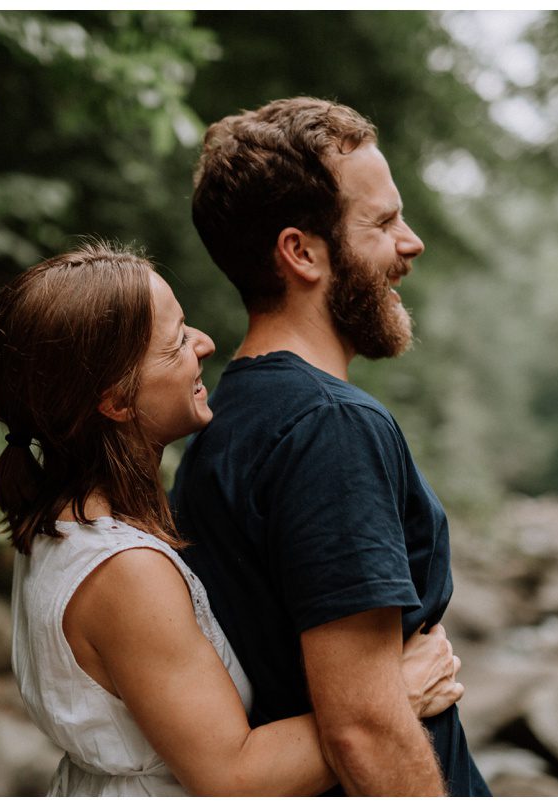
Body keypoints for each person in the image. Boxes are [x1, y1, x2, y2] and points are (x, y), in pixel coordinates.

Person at [0, 242, 465, 796]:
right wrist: (396, 694)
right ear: (115, 400)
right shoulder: (124, 571)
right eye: (177, 342)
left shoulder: (65, 521)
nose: (205, 343)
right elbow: (233, 778)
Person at [171, 97, 491, 796]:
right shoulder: (330, 427)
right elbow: (364, 727)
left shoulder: (223, 417)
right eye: (382, 222)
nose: (412, 243)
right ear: (302, 252)